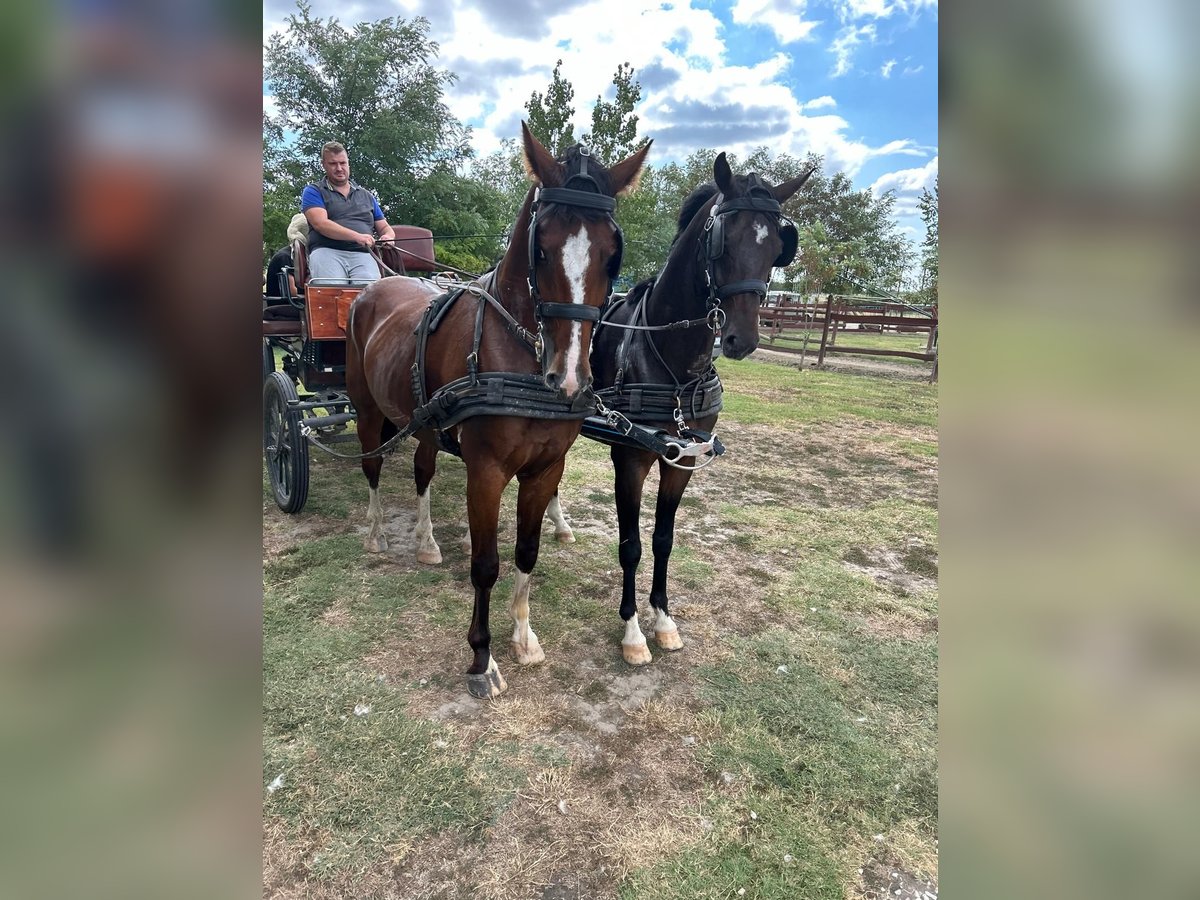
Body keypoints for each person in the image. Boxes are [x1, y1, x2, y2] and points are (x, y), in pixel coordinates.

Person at [301, 141, 395, 283]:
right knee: (334, 291)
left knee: (372, 294)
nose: (339, 168)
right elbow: (321, 224)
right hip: (326, 251)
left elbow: (384, 227)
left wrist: (388, 237)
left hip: (363, 254)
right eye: (333, 164)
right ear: (323, 164)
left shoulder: (367, 196)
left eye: (343, 163)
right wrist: (357, 237)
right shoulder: (313, 191)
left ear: (348, 163)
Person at [264, 213, 309, 306]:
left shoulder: (299, 256)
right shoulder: (284, 257)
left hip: (295, 305)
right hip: (283, 307)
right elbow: (292, 292)